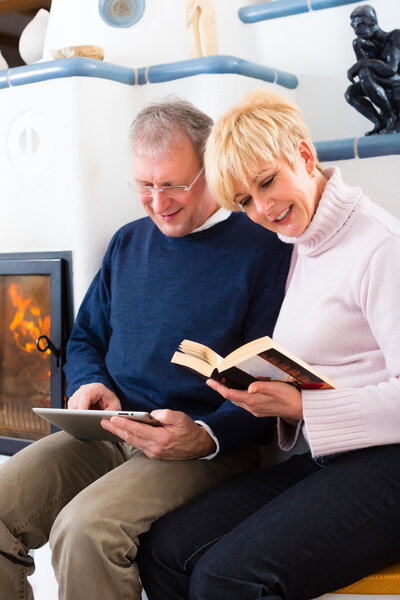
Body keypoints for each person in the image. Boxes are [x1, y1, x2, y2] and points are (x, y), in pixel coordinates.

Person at [0, 97, 291, 600]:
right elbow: (85, 337)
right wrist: (90, 381)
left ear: (212, 171)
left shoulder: (263, 247)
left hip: (203, 447)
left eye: (174, 184)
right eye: (145, 186)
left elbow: (271, 386)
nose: (158, 202)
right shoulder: (128, 243)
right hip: (108, 431)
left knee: (85, 530)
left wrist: (204, 434)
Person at [137, 88, 400, 600]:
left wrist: (303, 405)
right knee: (166, 549)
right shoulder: (303, 243)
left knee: (228, 578)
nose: (263, 208)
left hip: (391, 463)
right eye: (244, 201)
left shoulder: (382, 247)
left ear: (303, 155)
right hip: (338, 458)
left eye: (267, 182)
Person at [345, 4, 400, 135]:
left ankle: (392, 116)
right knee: (351, 93)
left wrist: (364, 62)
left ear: (373, 22)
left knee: (365, 72)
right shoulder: (361, 44)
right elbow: (363, 76)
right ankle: (379, 122)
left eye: (361, 24)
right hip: (381, 81)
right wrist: (358, 47)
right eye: (353, 26)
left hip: (397, 80)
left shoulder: (394, 36)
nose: (356, 29)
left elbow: (391, 69)